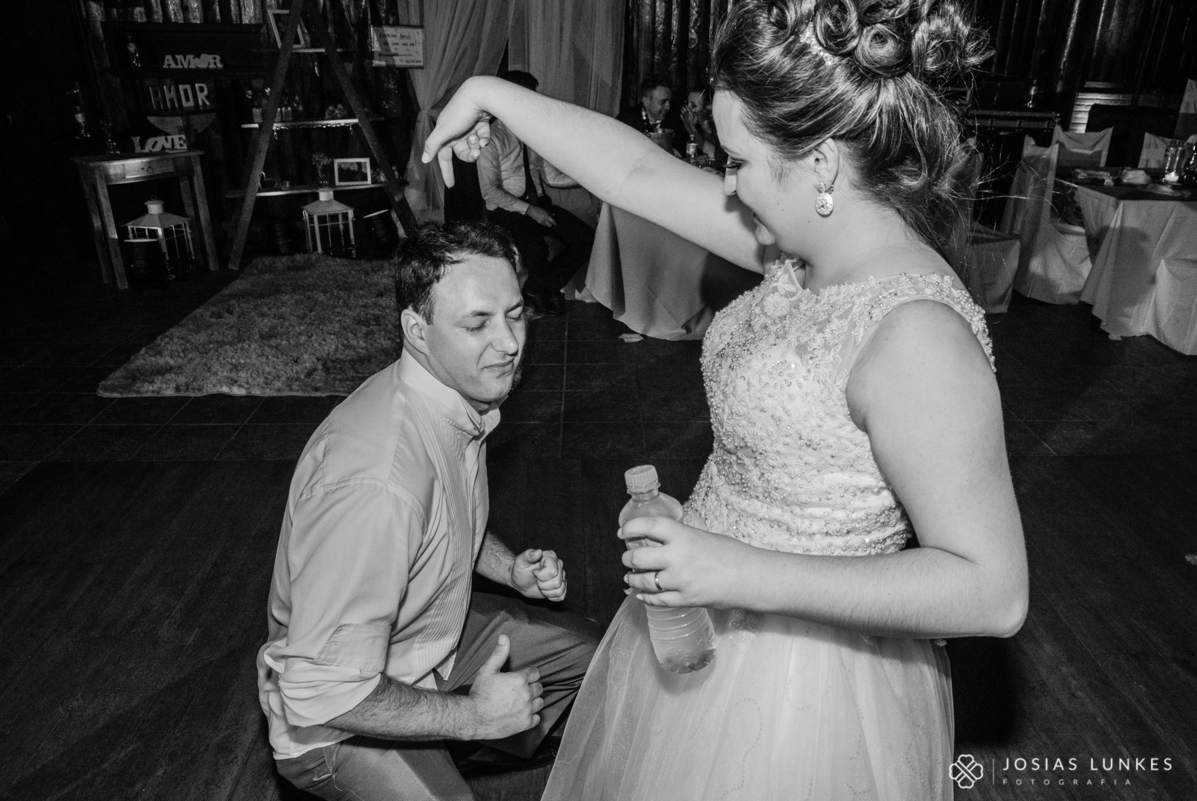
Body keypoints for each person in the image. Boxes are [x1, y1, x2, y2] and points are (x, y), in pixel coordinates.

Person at [422, 0, 1028, 797]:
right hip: (700, 613)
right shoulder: (803, 245)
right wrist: (490, 95)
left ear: (819, 163)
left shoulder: (915, 333)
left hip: (809, 690)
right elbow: (635, 173)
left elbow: (992, 590)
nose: (727, 183)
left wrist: (735, 568)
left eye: (737, 159)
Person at [256, 221, 600, 801]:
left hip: (427, 647)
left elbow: (444, 511)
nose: (511, 342)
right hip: (335, 721)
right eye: (478, 323)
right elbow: (321, 691)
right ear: (417, 331)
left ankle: (455, 741)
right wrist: (473, 718)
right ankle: (459, 741)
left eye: (515, 314)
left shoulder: (449, 397)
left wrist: (508, 567)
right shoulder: (376, 484)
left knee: (600, 658)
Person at [477, 70, 595, 316]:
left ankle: (536, 288)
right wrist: (530, 211)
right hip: (508, 209)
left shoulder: (534, 133)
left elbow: (551, 177)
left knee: (585, 239)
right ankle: (543, 291)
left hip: (539, 202)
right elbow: (489, 192)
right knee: (536, 251)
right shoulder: (491, 139)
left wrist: (587, 178)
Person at [617, 74, 686, 153]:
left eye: (669, 101)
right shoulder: (626, 120)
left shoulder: (675, 119)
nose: (668, 107)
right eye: (663, 102)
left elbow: (683, 149)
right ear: (646, 101)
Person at [680, 87, 720, 160]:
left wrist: (691, 129)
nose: (688, 109)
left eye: (693, 105)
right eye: (687, 104)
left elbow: (716, 154)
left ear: (708, 107)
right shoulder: (691, 126)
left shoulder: (719, 128)